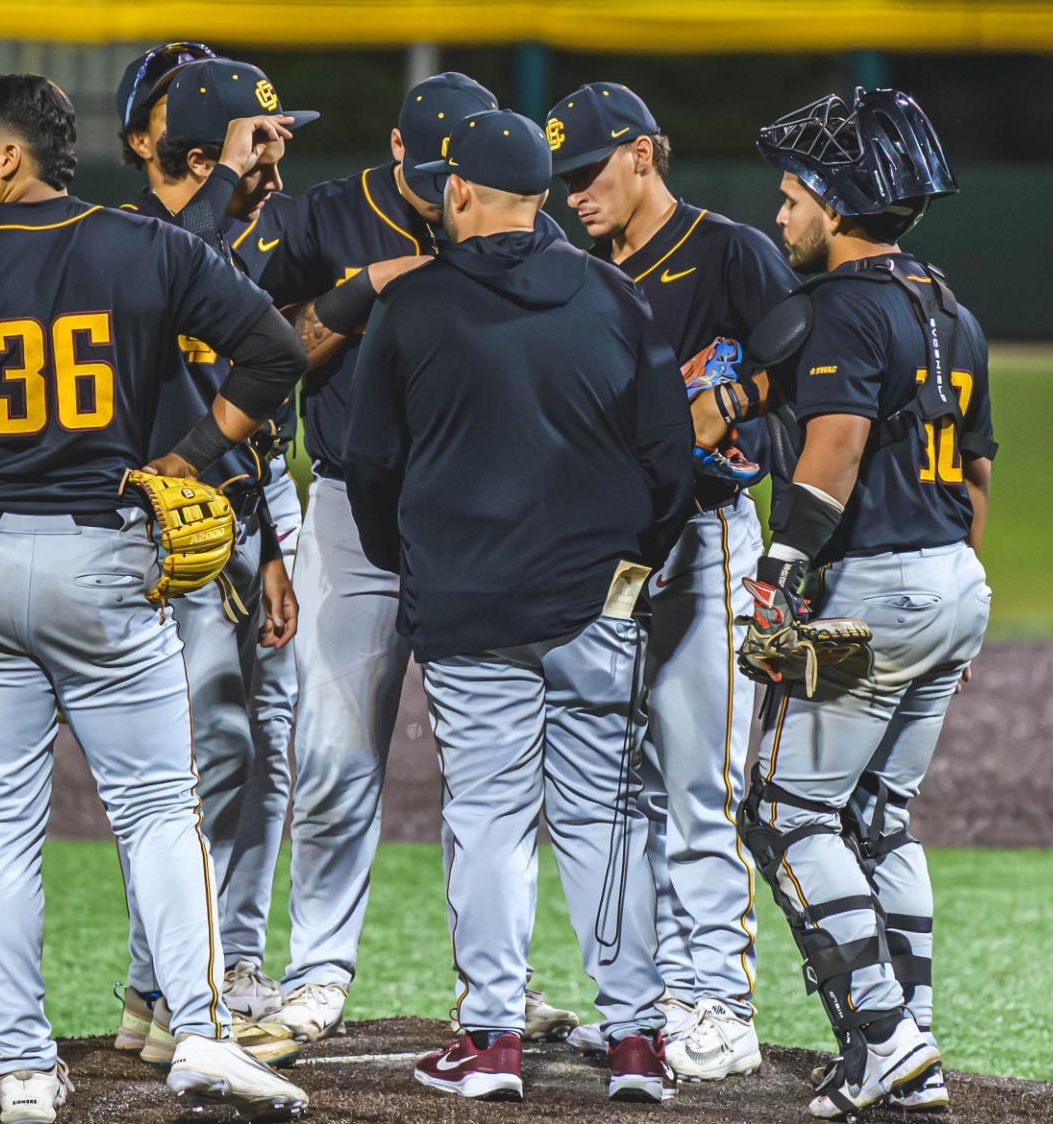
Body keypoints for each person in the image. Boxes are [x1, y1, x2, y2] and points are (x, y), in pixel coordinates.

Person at [0, 73, 309, 1123]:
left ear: (9, 157)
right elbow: (273, 351)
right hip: (101, 556)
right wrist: (188, 460)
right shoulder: (148, 247)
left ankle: (20, 1068)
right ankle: (194, 1029)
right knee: (155, 806)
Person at [341, 108, 697, 1104]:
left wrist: (401, 559)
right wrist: (633, 564)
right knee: (603, 815)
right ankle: (634, 1041)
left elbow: (368, 462)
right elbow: (670, 461)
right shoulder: (614, 296)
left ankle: (491, 1039)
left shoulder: (411, 308)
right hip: (594, 603)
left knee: (490, 816)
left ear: (456, 191)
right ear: (540, 196)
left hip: (466, 604)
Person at [252, 72, 576, 1045]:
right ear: (399, 155)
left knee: (489, 762)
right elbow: (258, 357)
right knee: (335, 744)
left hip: (479, 524)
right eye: (434, 173)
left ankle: (498, 980)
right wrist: (358, 294)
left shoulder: (526, 233)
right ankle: (314, 972)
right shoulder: (321, 222)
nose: (449, 194)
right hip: (355, 512)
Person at [721, 87, 995, 1118]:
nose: (780, 214)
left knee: (783, 810)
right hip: (950, 578)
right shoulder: (947, 305)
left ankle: (885, 1037)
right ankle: (905, 1039)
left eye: (790, 196)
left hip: (876, 582)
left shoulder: (843, 305)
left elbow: (831, 450)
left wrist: (776, 578)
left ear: (834, 206)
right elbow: (974, 475)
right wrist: (952, 605)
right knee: (877, 816)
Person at [546, 80, 798, 1081]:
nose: (573, 193)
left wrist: (728, 402)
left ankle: (718, 1002)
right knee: (619, 787)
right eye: (561, 178)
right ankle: (644, 1001)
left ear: (642, 154)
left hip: (703, 537)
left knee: (699, 779)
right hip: (605, 552)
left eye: (588, 170)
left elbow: (808, 360)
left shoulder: (730, 248)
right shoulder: (574, 272)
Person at [111, 48, 314, 1055]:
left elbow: (257, 422)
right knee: (201, 754)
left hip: (244, 515)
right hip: (167, 534)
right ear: (198, 157)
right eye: (256, 151)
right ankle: (187, 977)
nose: (275, 174)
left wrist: (273, 543)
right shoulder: (127, 244)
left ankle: (192, 976)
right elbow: (160, 280)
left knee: (263, 749)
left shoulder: (225, 254)